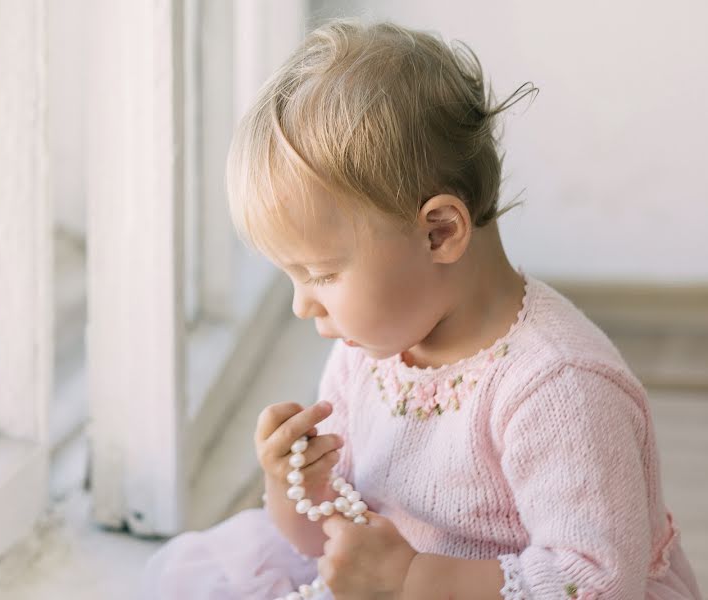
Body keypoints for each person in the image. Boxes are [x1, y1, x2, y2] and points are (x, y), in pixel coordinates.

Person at [140, 18, 703, 600]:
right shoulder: (367, 355)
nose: (301, 304)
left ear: (439, 232)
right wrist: (296, 487)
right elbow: (332, 549)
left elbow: (594, 582)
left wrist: (413, 578)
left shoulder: (559, 388)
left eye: (323, 274)